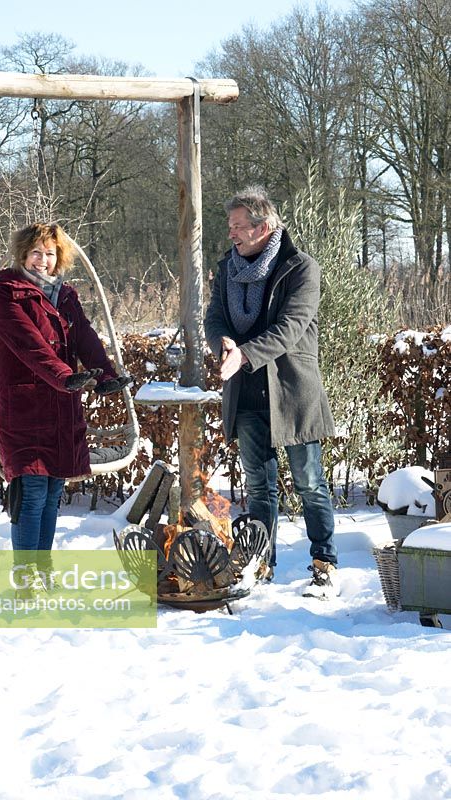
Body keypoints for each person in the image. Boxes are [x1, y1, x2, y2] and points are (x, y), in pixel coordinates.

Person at [204, 186, 338, 599]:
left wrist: (242, 355)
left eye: (239, 226)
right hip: (245, 393)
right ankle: (262, 563)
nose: (232, 234)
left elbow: (291, 328)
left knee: (310, 483)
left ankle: (324, 564)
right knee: (259, 487)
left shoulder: (300, 268)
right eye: (230, 226)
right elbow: (214, 317)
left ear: (263, 228)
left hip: (292, 393)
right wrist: (223, 343)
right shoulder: (227, 267)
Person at [0, 222, 131, 597]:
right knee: (32, 489)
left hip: (62, 400)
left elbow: (83, 335)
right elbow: (28, 343)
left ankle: (43, 571)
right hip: (25, 405)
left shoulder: (64, 294)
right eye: (36, 252)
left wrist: (105, 376)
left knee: (53, 490)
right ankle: (25, 579)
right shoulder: (5, 292)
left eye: (50, 253)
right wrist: (66, 376)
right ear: (23, 254)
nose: (43, 260)